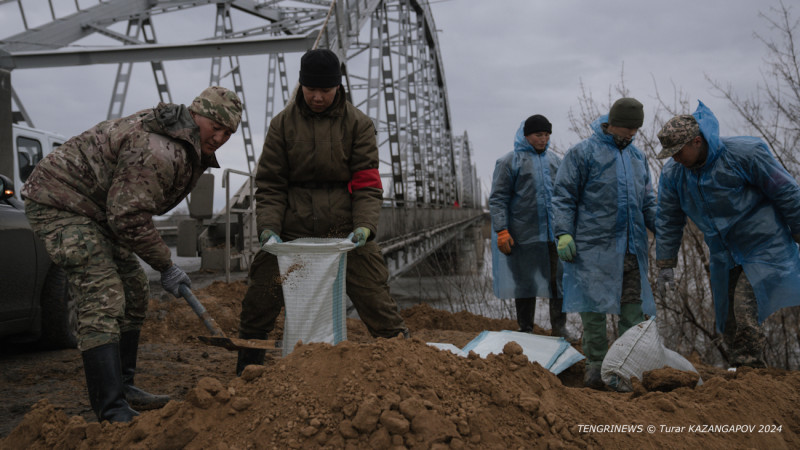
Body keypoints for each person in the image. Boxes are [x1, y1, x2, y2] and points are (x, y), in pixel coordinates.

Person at [21, 86, 243, 422]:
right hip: (59, 200)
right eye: (216, 127)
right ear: (197, 114)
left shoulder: (183, 141)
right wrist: (166, 265)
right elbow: (128, 216)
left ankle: (124, 386)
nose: (220, 137)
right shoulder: (159, 149)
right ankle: (110, 409)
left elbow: (124, 210)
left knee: (135, 291)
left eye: (228, 132)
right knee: (103, 295)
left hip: (100, 209)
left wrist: (160, 265)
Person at [236, 48, 409, 375]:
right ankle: (247, 371)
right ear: (301, 85)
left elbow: (367, 184)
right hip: (292, 230)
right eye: (310, 89)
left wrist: (365, 228)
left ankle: (405, 367)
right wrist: (268, 228)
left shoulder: (358, 124)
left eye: (325, 91)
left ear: (338, 87)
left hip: (345, 230)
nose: (317, 97)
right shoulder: (282, 125)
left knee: (375, 297)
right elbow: (271, 185)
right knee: (260, 297)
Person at [655, 101, 800, 369]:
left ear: (697, 141)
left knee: (746, 311)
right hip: (724, 253)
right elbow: (668, 218)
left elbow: (786, 191)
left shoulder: (745, 154)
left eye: (678, 151)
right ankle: (742, 382)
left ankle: (750, 374)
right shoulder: (674, 175)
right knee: (728, 321)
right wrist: (665, 263)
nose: (674, 158)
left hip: (764, 245)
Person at [552, 97, 657, 389]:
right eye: (626, 128)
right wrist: (563, 233)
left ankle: (625, 369)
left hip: (631, 248)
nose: (630, 135)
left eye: (635, 130)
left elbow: (648, 200)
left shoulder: (638, 158)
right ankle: (596, 366)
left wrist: (663, 227)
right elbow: (563, 196)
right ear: (611, 124)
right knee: (593, 311)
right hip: (593, 250)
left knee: (632, 311)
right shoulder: (583, 154)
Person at [488, 114, 566, 337]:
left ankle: (559, 328)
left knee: (557, 282)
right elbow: (498, 198)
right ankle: (525, 329)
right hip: (522, 236)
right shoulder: (509, 162)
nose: (544, 139)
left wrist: (566, 228)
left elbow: (563, 197)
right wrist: (502, 230)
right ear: (527, 135)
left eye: (547, 134)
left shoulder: (555, 161)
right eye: (538, 135)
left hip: (552, 236)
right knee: (524, 284)